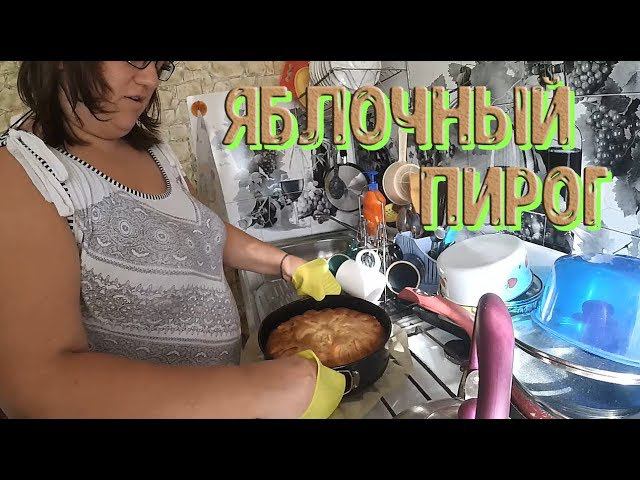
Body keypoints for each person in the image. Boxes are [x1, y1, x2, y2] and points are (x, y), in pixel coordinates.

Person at [0, 61, 341, 418]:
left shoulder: (153, 150)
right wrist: (256, 389)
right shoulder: (23, 173)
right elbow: (35, 386)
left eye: (160, 63)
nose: (150, 78)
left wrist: (285, 263)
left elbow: (200, 232)